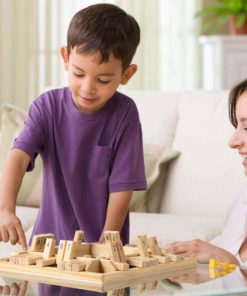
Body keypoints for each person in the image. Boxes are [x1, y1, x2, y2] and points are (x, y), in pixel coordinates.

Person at [0, 3, 146, 250]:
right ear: (65, 58)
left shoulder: (125, 114)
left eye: (103, 80)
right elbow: (18, 157)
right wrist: (5, 209)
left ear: (126, 74)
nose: (88, 88)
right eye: (79, 74)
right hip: (49, 248)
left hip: (104, 251)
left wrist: (107, 240)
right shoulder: (46, 107)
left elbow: (123, 186)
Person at [166, 78, 247, 265]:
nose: (233, 141)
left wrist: (225, 260)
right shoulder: (243, 200)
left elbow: (227, 259)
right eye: (236, 126)